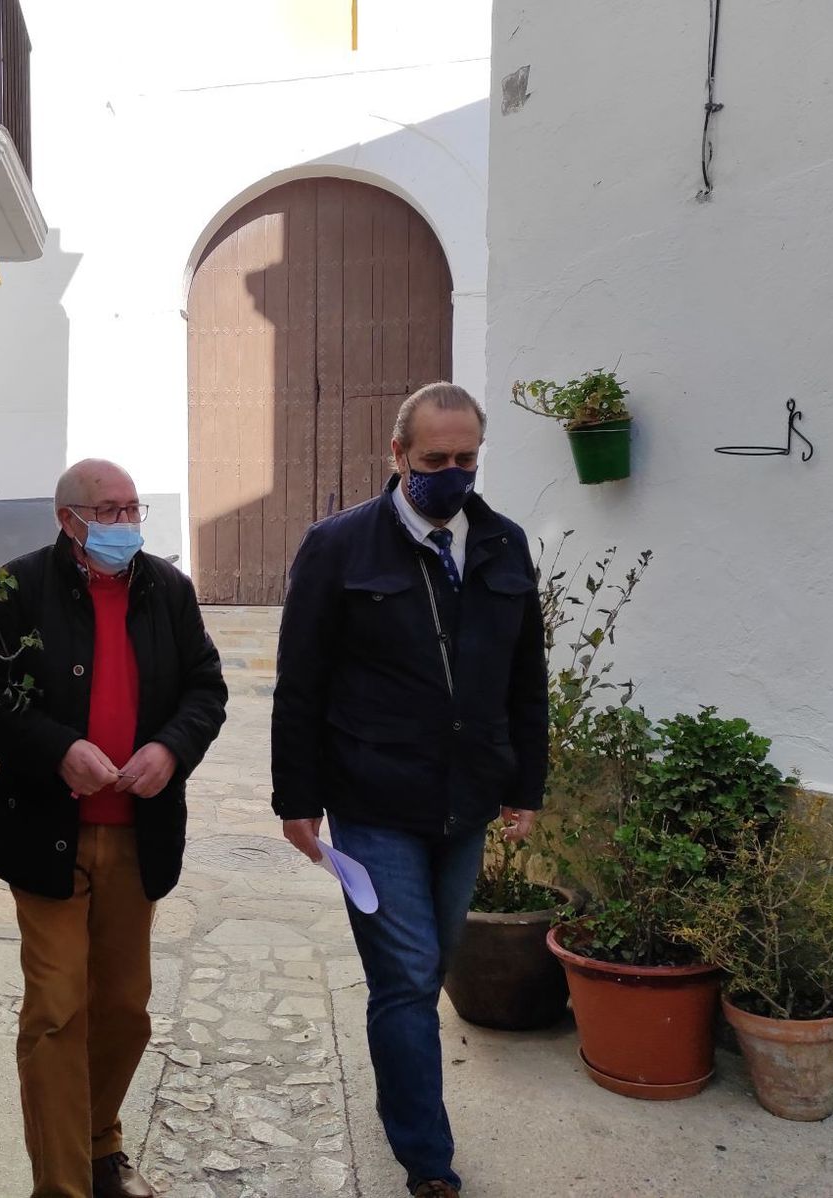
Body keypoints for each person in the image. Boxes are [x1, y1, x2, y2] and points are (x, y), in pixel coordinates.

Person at [270, 383, 547, 1198]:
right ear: (398, 455)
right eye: (435, 459)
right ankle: (428, 1161)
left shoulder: (503, 544)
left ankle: (404, 1096)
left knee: (430, 969)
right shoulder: (338, 546)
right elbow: (300, 683)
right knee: (408, 973)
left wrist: (525, 784)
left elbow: (525, 679)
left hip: (466, 800)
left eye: (467, 458)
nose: (452, 473)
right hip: (373, 799)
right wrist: (297, 800)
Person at [0, 458, 228, 1198]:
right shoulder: (16, 587)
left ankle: (100, 1143)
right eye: (108, 511)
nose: (125, 523)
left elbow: (206, 688)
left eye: (133, 508)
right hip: (47, 836)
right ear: (67, 519)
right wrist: (57, 750)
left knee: (124, 1011)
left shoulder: (168, 590)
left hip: (139, 837)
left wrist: (171, 749)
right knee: (55, 1011)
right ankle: (63, 1185)